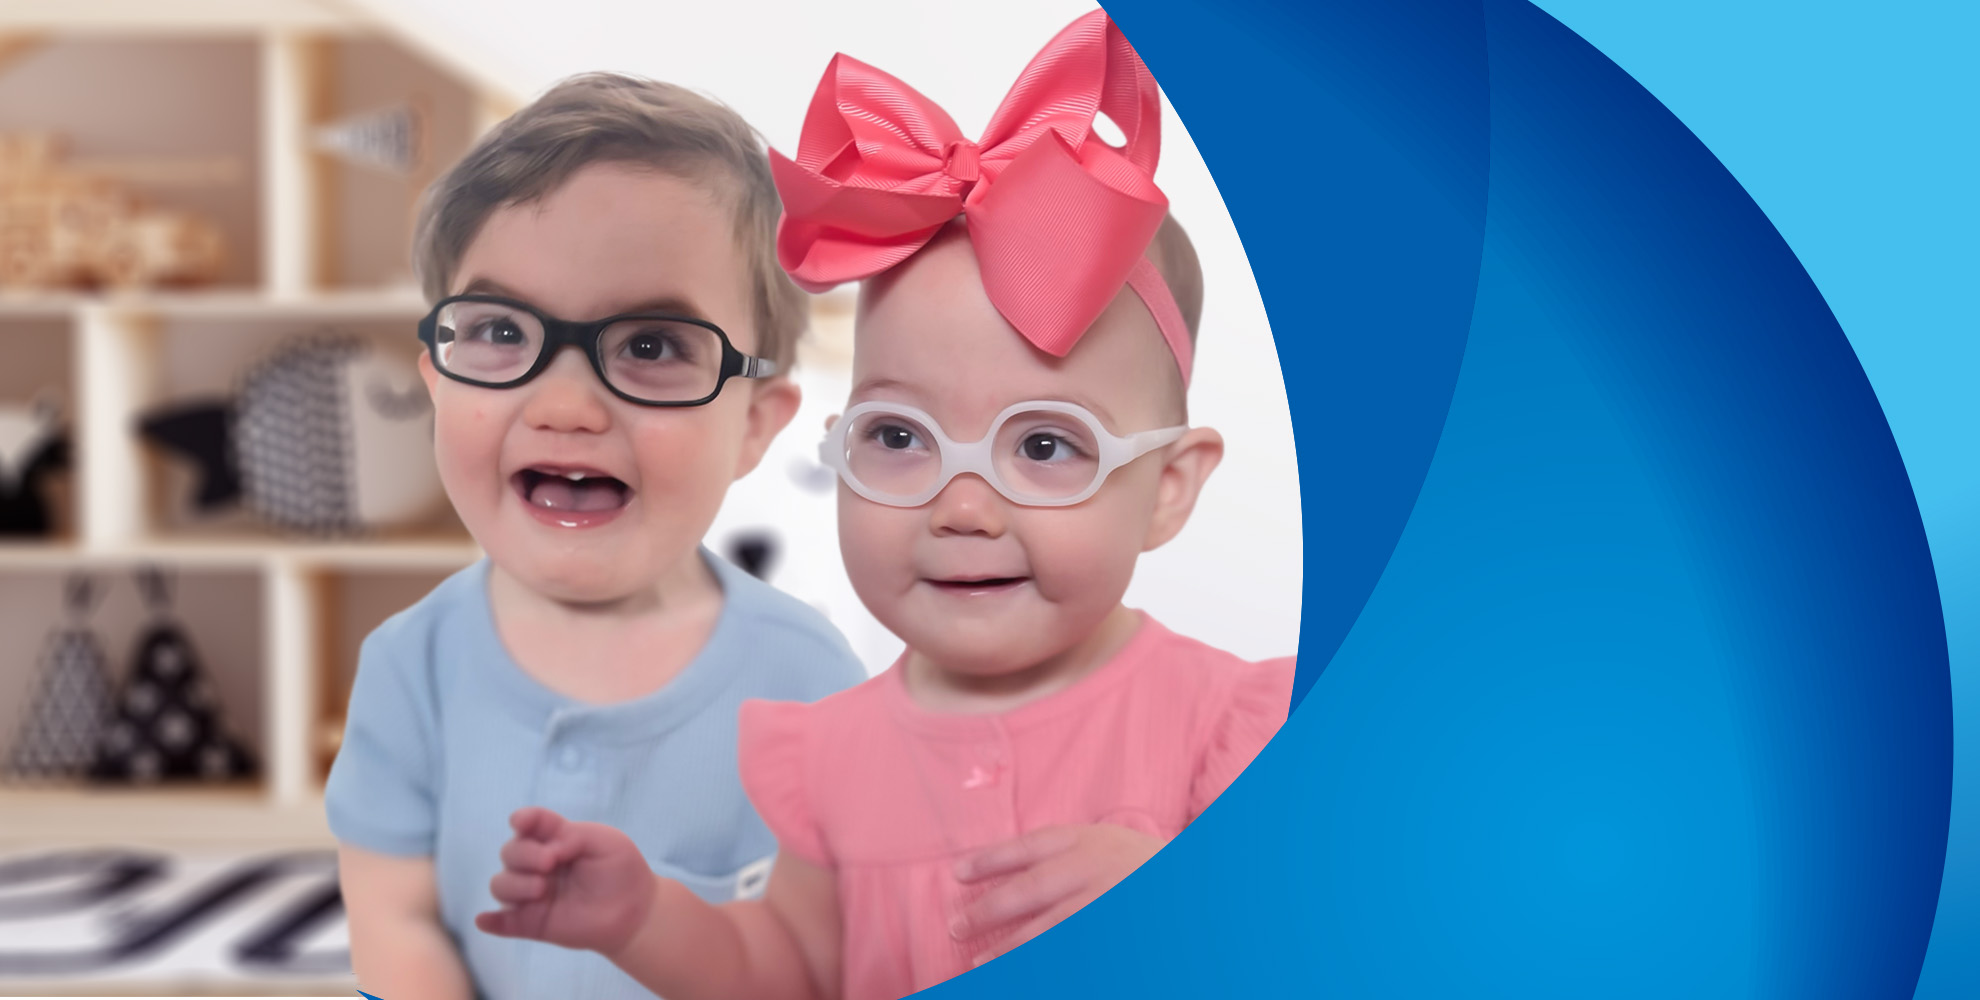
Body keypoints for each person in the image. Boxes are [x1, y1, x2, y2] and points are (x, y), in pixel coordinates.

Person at [476, 13, 1297, 1000]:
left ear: (1167, 487)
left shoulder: (1234, 730)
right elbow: (788, 970)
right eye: (899, 438)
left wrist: (1185, 906)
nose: (961, 508)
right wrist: (646, 919)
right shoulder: (835, 757)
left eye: (1042, 446)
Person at [325, 74, 867, 1000]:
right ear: (436, 381)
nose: (568, 404)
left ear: (754, 424)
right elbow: (392, 915)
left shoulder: (804, 681)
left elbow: (825, 955)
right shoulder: (410, 665)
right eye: (499, 330)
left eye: (651, 347)